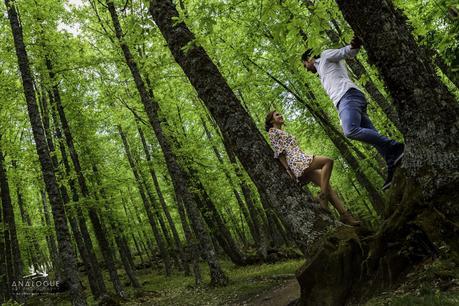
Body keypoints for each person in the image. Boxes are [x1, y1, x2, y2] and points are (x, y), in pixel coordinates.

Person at [301, 37, 404, 190]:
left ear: (309, 59)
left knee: (350, 130)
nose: (306, 69)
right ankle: (393, 164)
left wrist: (354, 46)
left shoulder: (325, 56)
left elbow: (346, 52)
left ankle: (396, 147)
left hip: (348, 97)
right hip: (348, 100)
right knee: (372, 135)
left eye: (304, 65)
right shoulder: (322, 70)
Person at [265, 110, 360, 226]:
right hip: (296, 162)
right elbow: (279, 153)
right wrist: (288, 170)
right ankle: (323, 196)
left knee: (328, 186)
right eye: (277, 115)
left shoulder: (281, 131)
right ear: (271, 120)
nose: (280, 115)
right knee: (328, 161)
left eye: (280, 113)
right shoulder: (272, 132)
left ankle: (345, 216)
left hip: (301, 158)